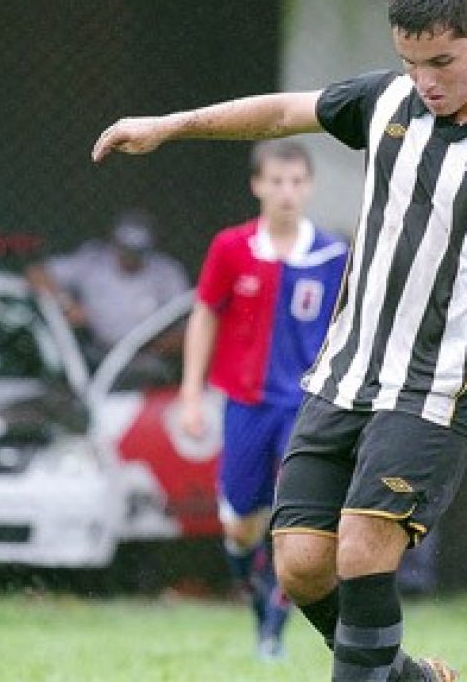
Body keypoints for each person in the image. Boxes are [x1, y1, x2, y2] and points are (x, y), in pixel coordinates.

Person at [92, 0, 467, 679]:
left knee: (360, 550)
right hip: (342, 377)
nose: (426, 80)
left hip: (431, 395)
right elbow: (285, 113)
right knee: (303, 566)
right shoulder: (388, 102)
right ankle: (413, 678)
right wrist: (170, 126)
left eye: (442, 61)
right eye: (412, 63)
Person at [179, 140, 347, 660]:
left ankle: (275, 629)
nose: (287, 192)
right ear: (257, 185)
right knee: (241, 523)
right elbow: (205, 313)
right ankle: (258, 613)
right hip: (246, 404)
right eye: (276, 181)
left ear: (310, 186)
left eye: (297, 181)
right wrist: (191, 393)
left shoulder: (332, 254)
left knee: (296, 524)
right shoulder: (232, 248)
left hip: (306, 407)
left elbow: (347, 327)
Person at [27, 209, 190, 364]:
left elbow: (188, 328)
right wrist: (66, 304)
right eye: (125, 250)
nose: (130, 258)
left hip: (147, 360)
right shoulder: (93, 260)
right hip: (93, 355)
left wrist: (155, 346)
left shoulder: (168, 273)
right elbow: (37, 273)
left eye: (137, 252)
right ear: (115, 243)